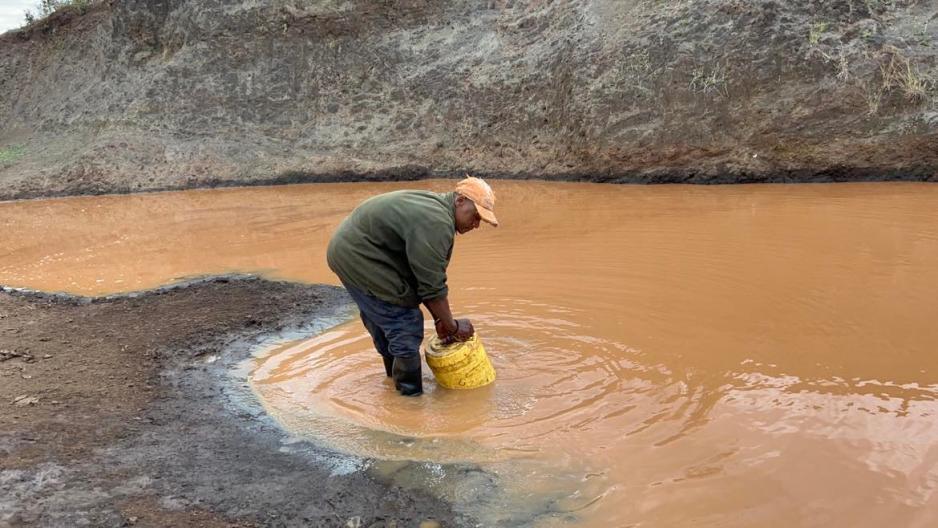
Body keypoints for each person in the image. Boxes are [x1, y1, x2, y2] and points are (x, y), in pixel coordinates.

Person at [326, 176, 499, 396]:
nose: (475, 225)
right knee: (404, 322)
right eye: (475, 216)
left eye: (479, 221)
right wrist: (453, 326)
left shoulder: (435, 209)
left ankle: (392, 381)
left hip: (350, 252)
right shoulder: (437, 222)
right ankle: (409, 401)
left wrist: (440, 320)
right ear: (460, 200)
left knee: (387, 318)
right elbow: (431, 285)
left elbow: (421, 277)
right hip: (361, 256)